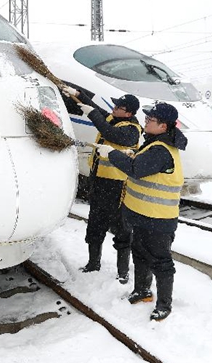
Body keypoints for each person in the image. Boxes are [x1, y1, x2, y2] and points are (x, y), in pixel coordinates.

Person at [96, 102, 187, 321]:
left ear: (163, 126)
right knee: (140, 255)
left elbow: (136, 169)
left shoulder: (161, 150)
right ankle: (142, 291)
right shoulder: (153, 143)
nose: (145, 122)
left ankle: (164, 304)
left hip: (158, 219)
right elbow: (142, 161)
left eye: (150, 120)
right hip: (142, 216)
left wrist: (113, 154)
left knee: (161, 262)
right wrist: (132, 153)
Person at [61, 85, 142, 284]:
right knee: (95, 223)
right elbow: (94, 107)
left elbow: (110, 133)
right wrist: (78, 95)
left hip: (118, 187)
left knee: (122, 229)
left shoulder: (132, 130)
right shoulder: (113, 118)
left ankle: (122, 271)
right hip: (99, 182)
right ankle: (93, 263)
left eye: (119, 107)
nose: (114, 109)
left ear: (129, 113)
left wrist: (93, 115)